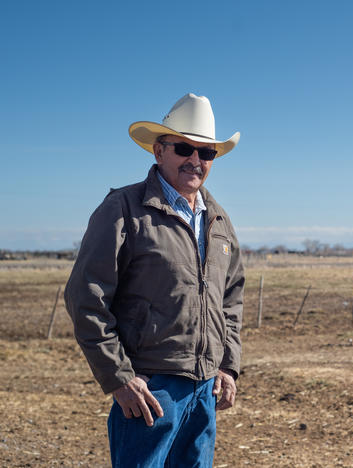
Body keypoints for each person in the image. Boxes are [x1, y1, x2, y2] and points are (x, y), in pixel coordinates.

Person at [64, 93, 245, 467]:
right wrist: (118, 378)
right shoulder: (123, 210)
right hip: (148, 388)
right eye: (184, 148)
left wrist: (227, 365)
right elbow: (87, 299)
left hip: (204, 389)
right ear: (159, 150)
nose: (195, 161)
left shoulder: (218, 220)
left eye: (206, 153)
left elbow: (230, 299)